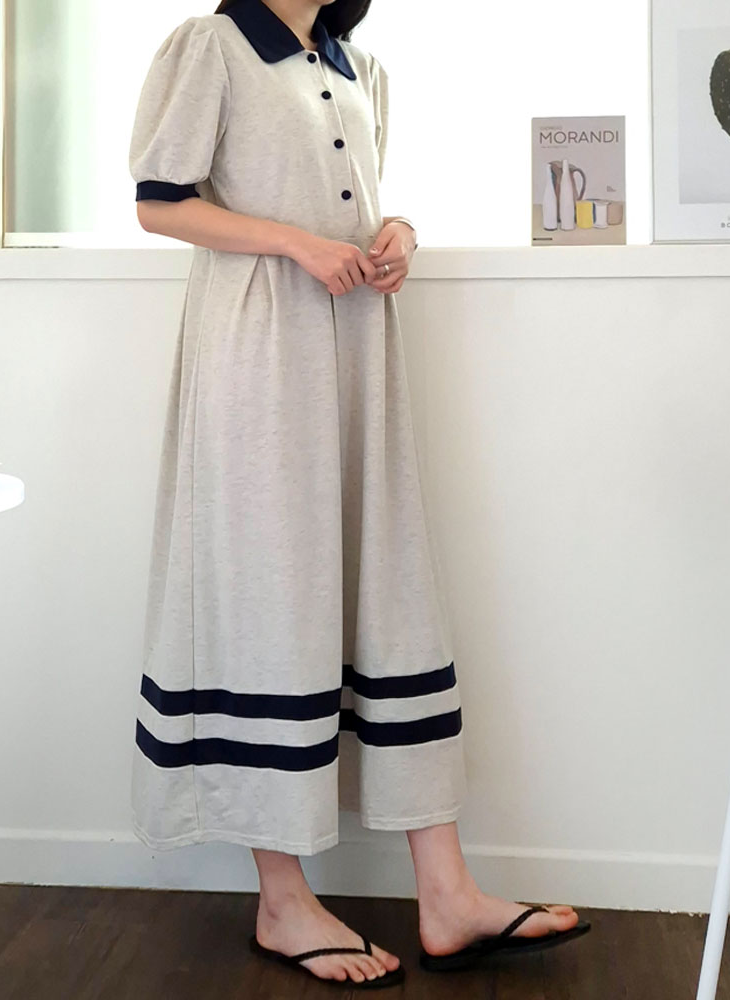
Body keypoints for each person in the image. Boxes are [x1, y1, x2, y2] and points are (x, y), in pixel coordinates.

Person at [128, 0, 590, 988]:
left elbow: (358, 199)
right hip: (259, 350)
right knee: (272, 599)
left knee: (389, 588)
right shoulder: (212, 46)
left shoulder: (357, 66)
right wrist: (297, 243)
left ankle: (447, 893)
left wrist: (397, 230)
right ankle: (282, 901)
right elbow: (159, 202)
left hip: (354, 345)